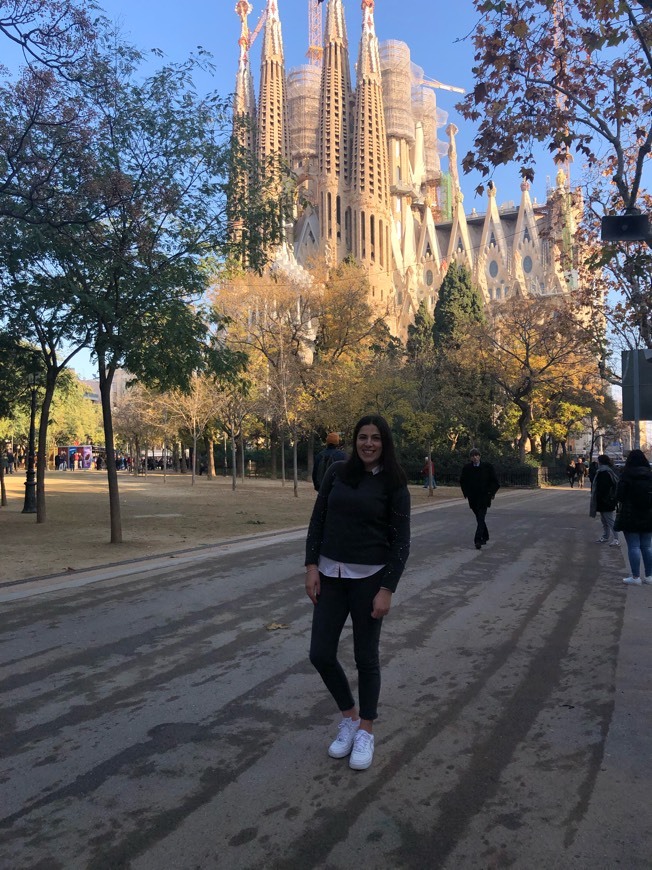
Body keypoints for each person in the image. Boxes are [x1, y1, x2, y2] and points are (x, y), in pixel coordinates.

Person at [305, 414, 411, 771]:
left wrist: (387, 590)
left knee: (366, 657)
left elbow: (401, 544)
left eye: (375, 438)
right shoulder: (337, 473)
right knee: (320, 653)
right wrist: (311, 567)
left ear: (385, 442)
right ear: (354, 440)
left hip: (369, 579)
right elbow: (317, 521)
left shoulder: (394, 483)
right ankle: (349, 717)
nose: (368, 444)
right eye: (363, 437)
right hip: (330, 575)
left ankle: (366, 728)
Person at [614, 448, 652, 586]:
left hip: (630, 514)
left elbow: (619, 496)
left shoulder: (626, 475)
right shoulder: (650, 475)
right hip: (648, 514)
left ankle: (635, 577)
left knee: (634, 547)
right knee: (647, 547)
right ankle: (649, 576)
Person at [460, 448, 500, 549]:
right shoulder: (467, 468)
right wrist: (466, 493)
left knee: (481, 517)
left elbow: (495, 482)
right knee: (479, 518)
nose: (475, 457)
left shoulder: (487, 467)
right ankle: (485, 536)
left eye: (477, 455)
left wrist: (491, 493)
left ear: (480, 456)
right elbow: (462, 481)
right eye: (473, 456)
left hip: (484, 497)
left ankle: (478, 539)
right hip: (473, 497)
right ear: (470, 458)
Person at [590, 454, 619, 546]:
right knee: (604, 520)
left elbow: (604, 488)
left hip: (606, 501)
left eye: (598, 461)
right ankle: (606, 536)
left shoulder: (604, 472)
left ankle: (616, 539)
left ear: (601, 462)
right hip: (606, 500)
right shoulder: (607, 471)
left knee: (609, 520)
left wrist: (601, 497)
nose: (597, 463)